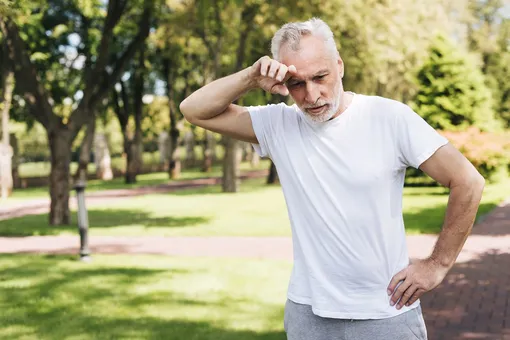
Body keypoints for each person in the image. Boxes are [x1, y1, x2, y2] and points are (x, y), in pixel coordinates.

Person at [180, 17, 485, 340]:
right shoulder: (278, 125)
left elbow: (468, 181)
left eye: (320, 77)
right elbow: (194, 110)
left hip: (385, 312)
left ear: (339, 66)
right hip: (308, 314)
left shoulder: (388, 118)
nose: (311, 95)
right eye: (297, 83)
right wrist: (251, 78)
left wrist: (437, 264)